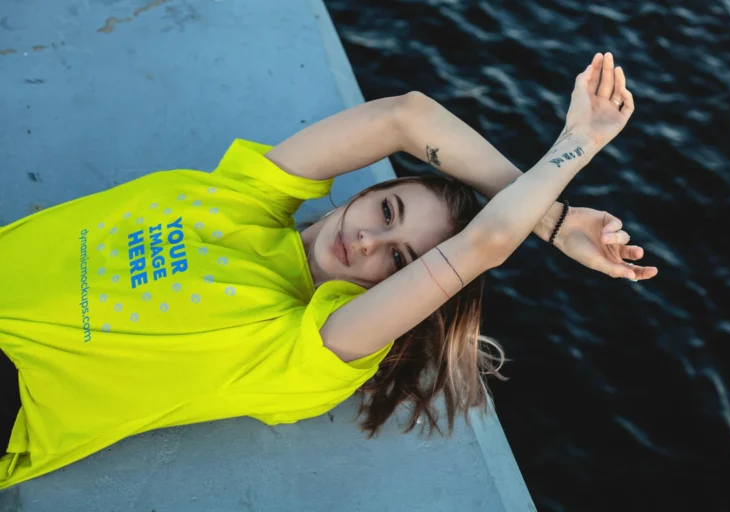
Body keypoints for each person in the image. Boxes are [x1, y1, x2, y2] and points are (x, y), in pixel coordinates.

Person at [0, 52, 656, 488]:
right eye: (387, 210)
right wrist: (556, 216)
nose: (369, 240)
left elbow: (484, 244)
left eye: (399, 261)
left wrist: (578, 145)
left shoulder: (303, 351)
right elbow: (404, 117)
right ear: (363, 193)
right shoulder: (246, 194)